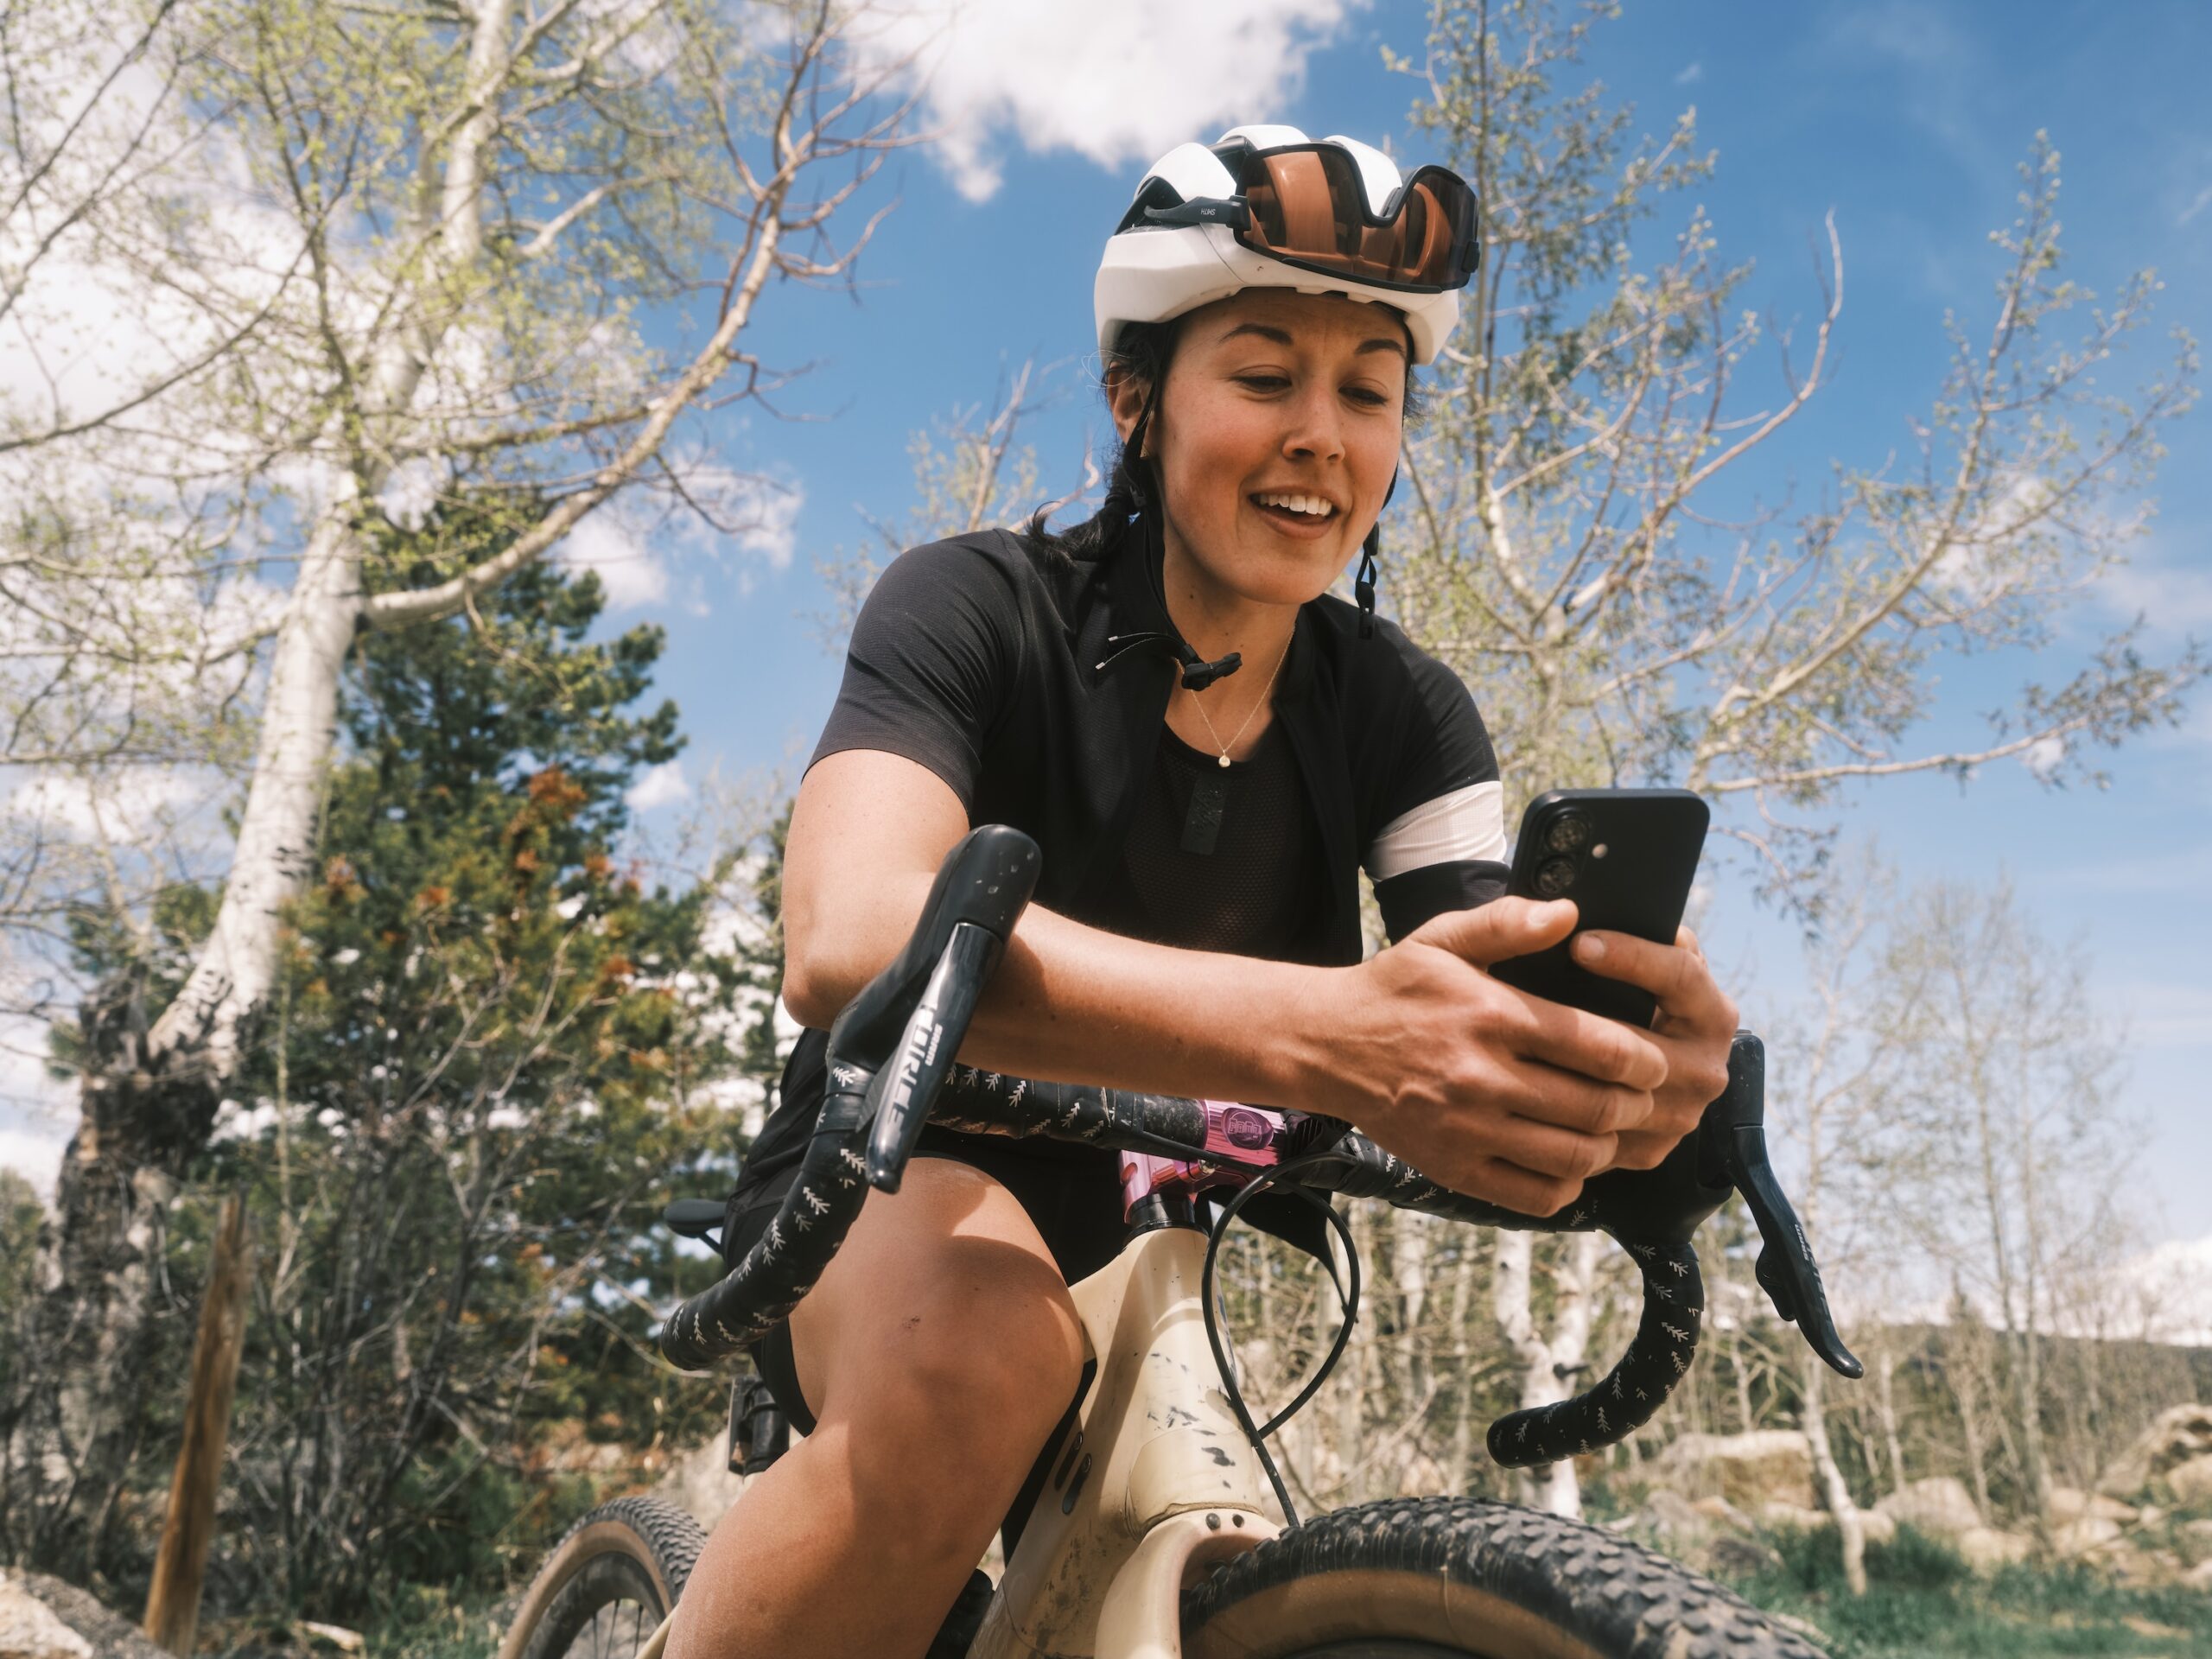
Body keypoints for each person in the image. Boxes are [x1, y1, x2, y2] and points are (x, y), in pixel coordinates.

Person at [666, 124, 1739, 1659]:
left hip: (1178, 1216)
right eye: (1262, 375)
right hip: (892, 1168)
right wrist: (1323, 1039)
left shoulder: (1406, 716)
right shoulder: (969, 607)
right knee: (979, 1365)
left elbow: (1463, 1018)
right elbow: (849, 942)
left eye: (1369, 391)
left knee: (1191, 1529)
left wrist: (1631, 1087)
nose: (1323, 432)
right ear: (1136, 403)